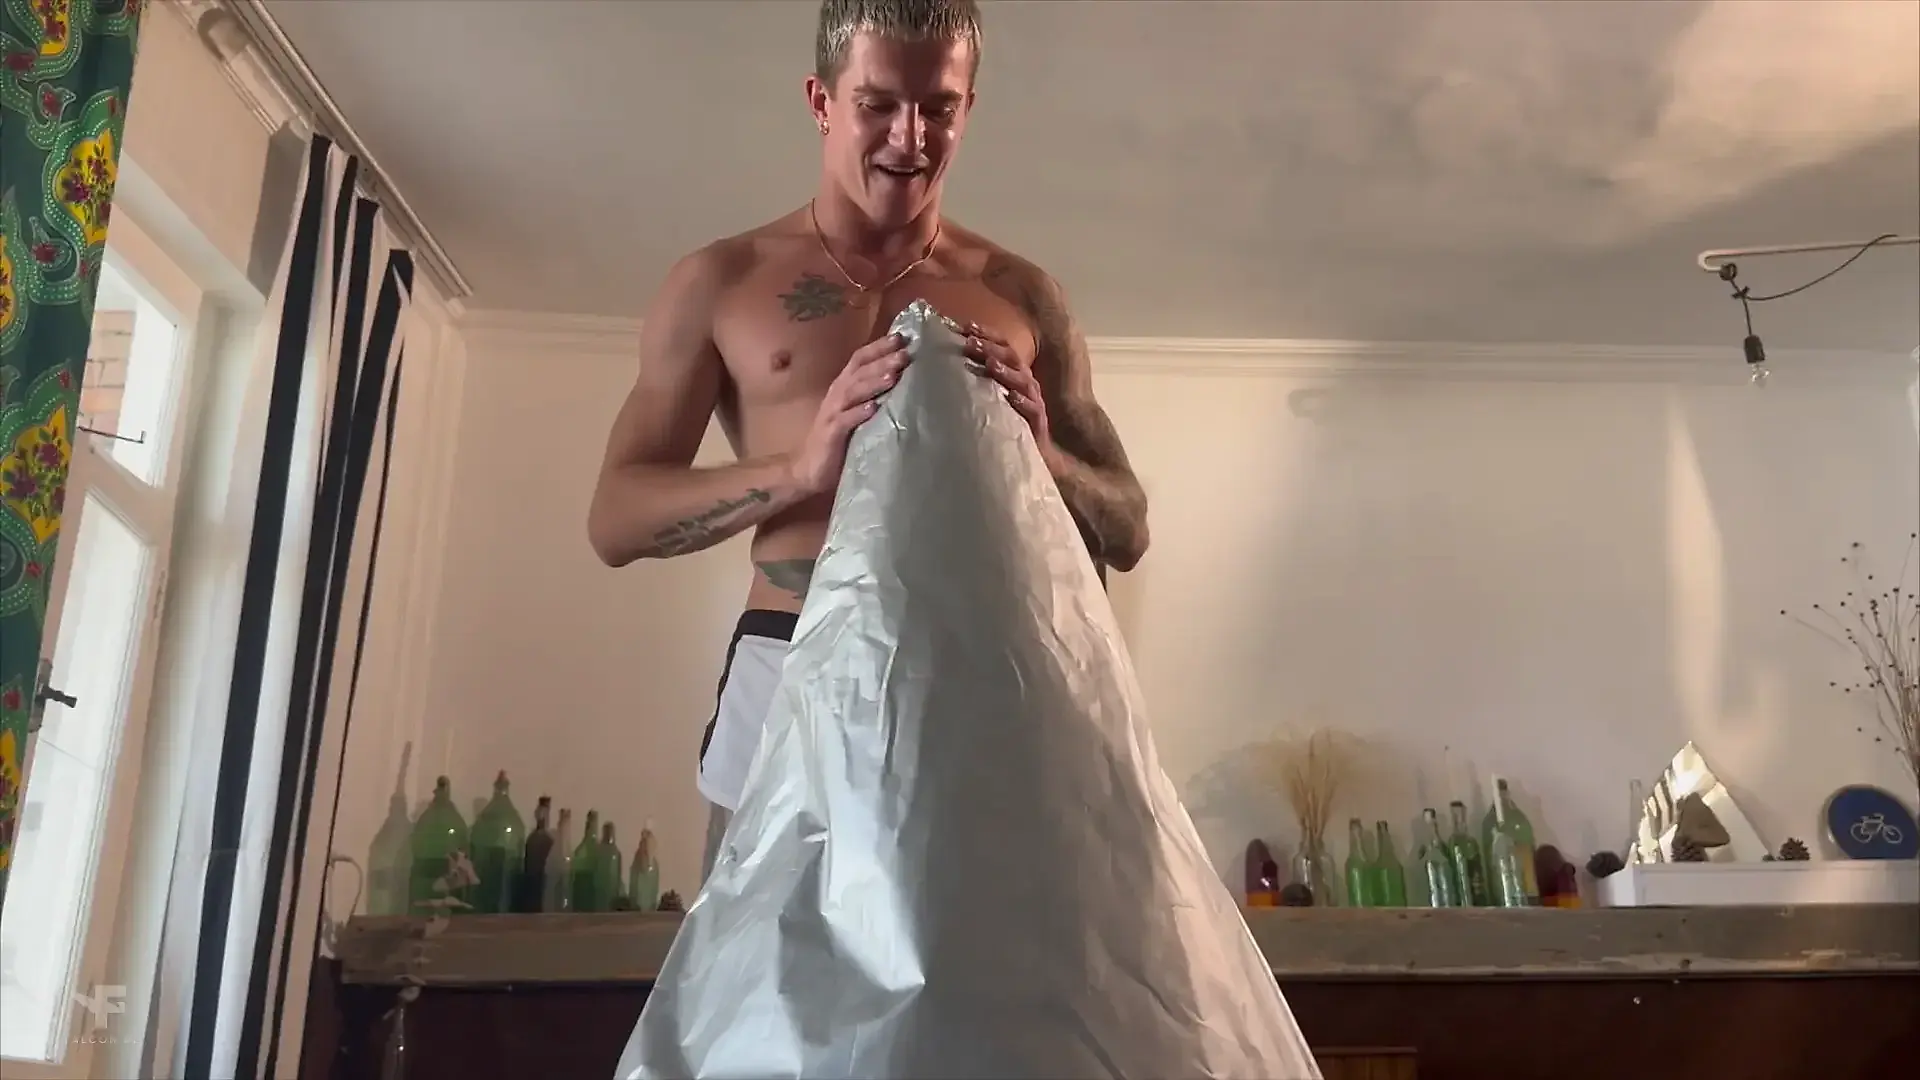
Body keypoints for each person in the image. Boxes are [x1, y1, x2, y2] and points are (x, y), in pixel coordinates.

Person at [586, 0, 1149, 883]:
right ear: (822, 101)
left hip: (976, 675)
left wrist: (1040, 457)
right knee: (754, 965)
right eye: (878, 104)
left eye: (939, 108)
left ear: (968, 108)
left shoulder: (1019, 294)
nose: (910, 137)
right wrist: (799, 469)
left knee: (978, 965)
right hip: (788, 655)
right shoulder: (724, 281)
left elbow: (1128, 527)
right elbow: (616, 520)